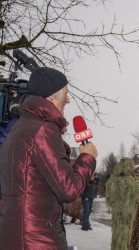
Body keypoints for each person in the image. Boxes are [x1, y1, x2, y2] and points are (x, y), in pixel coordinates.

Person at [0, 67, 98, 250]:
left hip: (16, 234)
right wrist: (87, 158)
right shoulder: (43, 130)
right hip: (36, 238)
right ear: (51, 98)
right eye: (66, 94)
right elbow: (69, 189)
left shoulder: (20, 128)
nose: (68, 100)